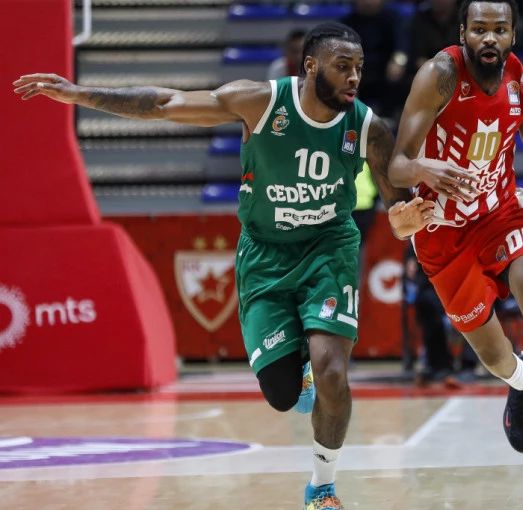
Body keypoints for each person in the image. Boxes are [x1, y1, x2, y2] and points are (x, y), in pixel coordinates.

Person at [14, 22, 433, 510]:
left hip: (329, 248)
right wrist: (79, 94)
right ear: (311, 66)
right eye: (343, 67)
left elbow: (400, 214)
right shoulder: (260, 102)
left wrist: (404, 222)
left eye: (359, 67)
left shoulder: (369, 127)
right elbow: (165, 103)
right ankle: (297, 372)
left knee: (332, 370)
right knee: (281, 395)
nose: (354, 77)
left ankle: (323, 488)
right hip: (265, 254)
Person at [386, 0, 523, 494]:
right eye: (479, 29)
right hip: (441, 230)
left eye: (499, 29)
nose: (489, 38)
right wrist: (423, 169)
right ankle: (522, 380)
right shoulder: (439, 76)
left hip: (501, 213)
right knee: (494, 356)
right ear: (463, 33)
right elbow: (397, 165)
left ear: (513, 35)